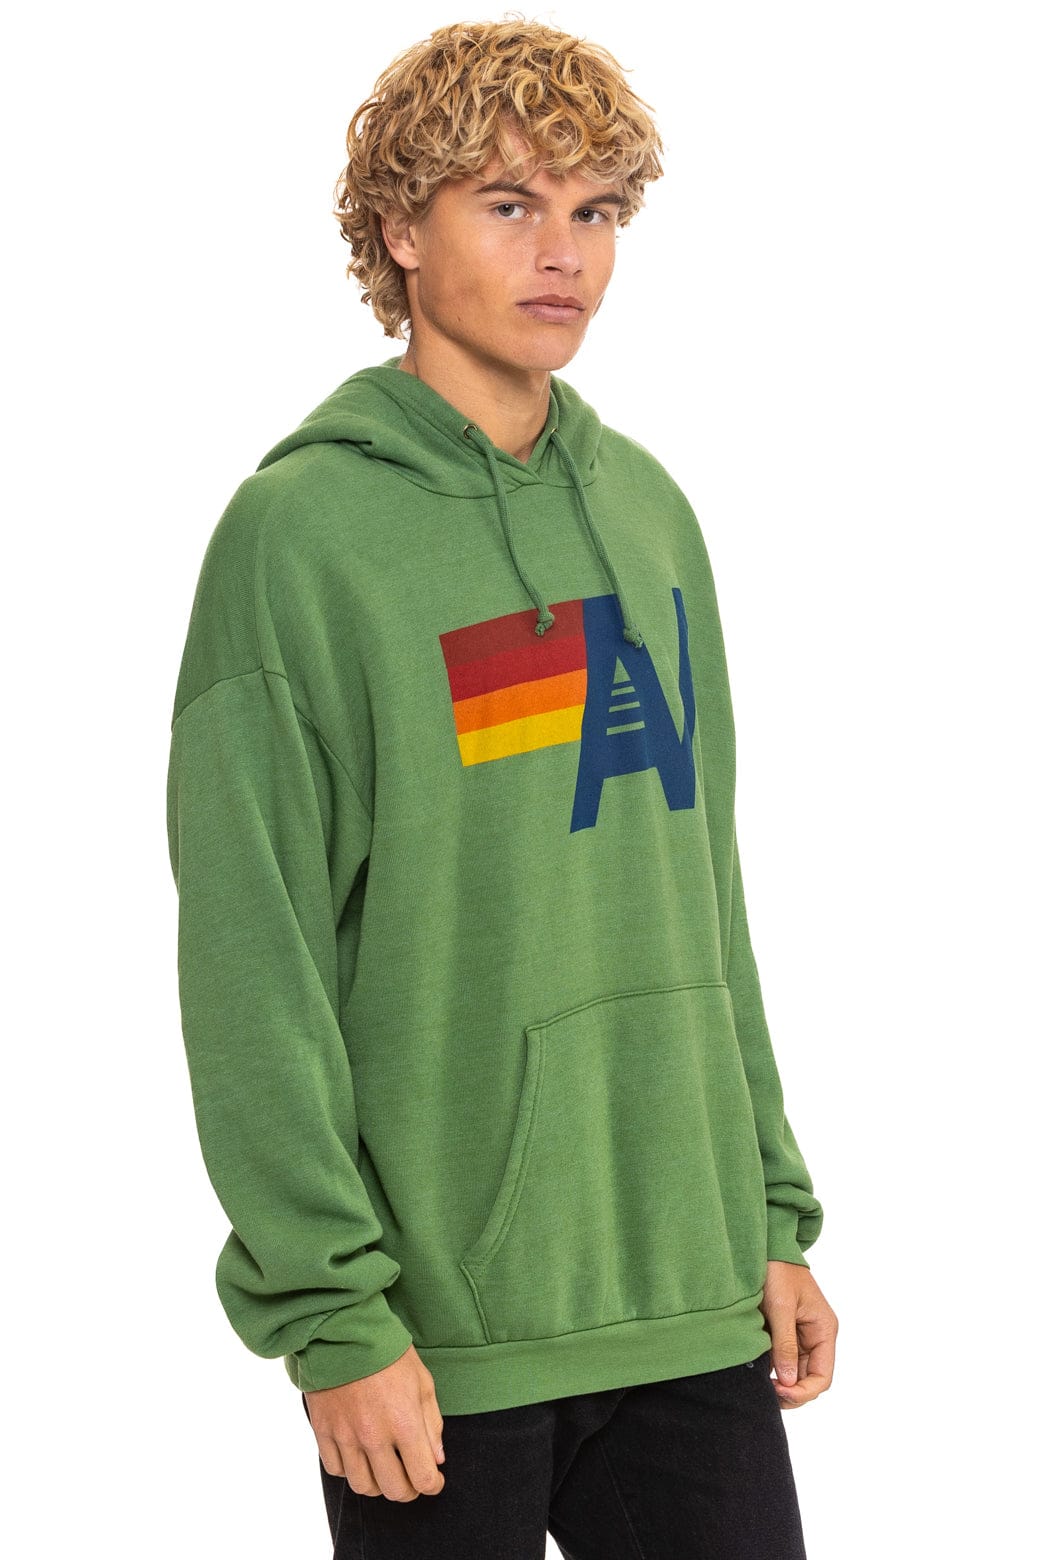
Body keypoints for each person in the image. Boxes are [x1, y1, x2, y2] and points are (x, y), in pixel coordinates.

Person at [165, 17, 838, 1558]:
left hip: (689, 1298)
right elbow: (255, 959)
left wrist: (767, 1214)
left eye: (595, 210)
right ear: (402, 231)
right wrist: (331, 1314)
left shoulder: (647, 514)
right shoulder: (301, 539)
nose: (565, 254)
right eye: (511, 203)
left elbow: (703, 892)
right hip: (436, 1337)